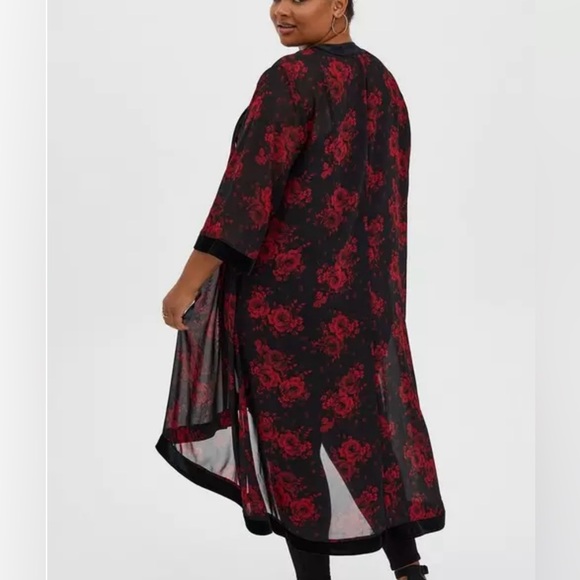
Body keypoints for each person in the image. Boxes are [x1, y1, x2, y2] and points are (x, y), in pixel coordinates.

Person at [156, 1, 445, 579]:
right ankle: (409, 568)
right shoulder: (382, 80)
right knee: (367, 429)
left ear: (339, 5)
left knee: (293, 445)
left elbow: (244, 196)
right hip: (367, 303)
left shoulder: (292, 78)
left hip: (288, 306)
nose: (281, 10)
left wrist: (185, 287)